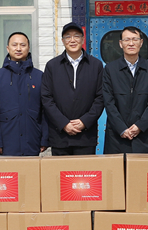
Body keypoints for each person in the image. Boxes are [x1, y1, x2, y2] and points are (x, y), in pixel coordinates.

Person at [41, 22, 104, 156]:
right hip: (60, 135)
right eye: (68, 37)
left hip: (86, 135)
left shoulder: (95, 65)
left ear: (83, 39)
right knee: (60, 169)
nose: (72, 40)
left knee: (86, 169)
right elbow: (46, 98)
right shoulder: (52, 66)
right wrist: (63, 123)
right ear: (63, 41)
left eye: (76, 36)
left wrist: (84, 122)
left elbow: (101, 97)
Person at [0, 32, 48, 156]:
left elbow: (45, 110)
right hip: (7, 142)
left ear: (28, 48)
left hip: (32, 140)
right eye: (14, 45)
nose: (18, 48)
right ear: (8, 48)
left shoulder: (39, 76)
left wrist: (45, 139)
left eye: (22, 45)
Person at [102, 26, 148, 154]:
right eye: (127, 40)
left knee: (143, 167)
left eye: (135, 39)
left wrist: (140, 126)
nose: (131, 43)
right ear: (120, 43)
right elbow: (108, 102)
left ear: (141, 42)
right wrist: (122, 128)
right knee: (117, 167)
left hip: (145, 135)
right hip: (117, 136)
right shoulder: (110, 69)